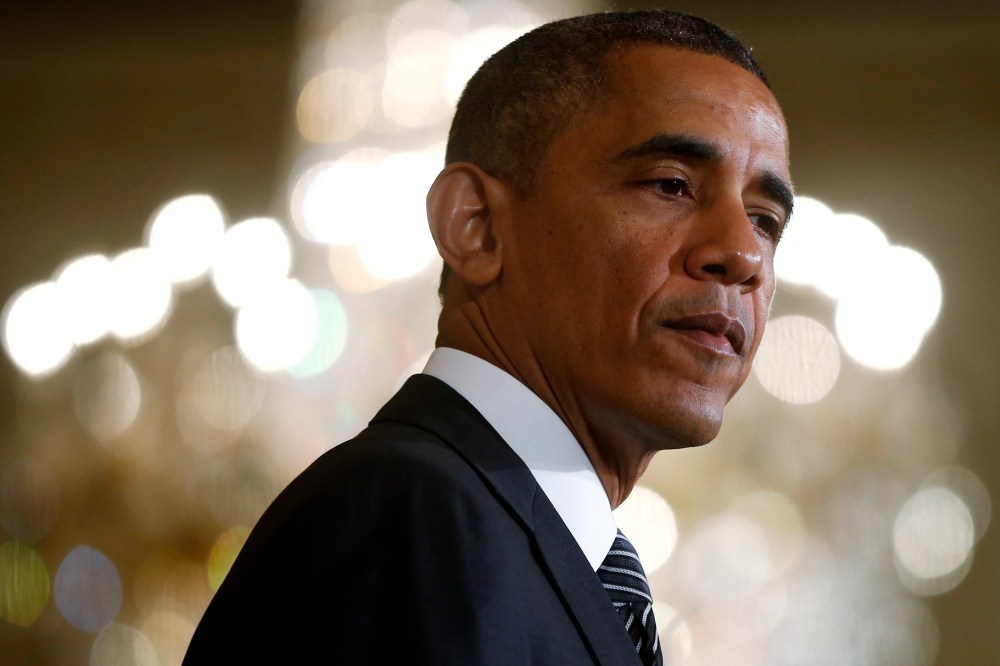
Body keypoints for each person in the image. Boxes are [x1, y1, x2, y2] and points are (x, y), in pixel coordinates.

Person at [184, 9, 793, 665]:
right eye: (671, 184)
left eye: (765, 220)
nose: (743, 255)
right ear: (475, 226)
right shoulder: (414, 521)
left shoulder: (492, 525)